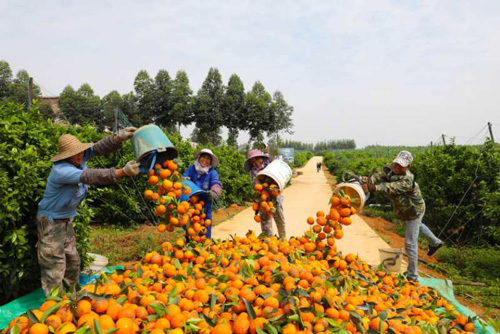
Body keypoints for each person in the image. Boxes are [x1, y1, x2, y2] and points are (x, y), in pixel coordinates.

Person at [37, 127, 141, 295]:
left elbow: (97, 148)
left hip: (66, 220)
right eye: (75, 153)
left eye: (80, 151)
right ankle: (54, 306)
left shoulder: (77, 158)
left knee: (73, 261)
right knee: (54, 265)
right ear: (66, 156)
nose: (81, 155)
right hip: (51, 222)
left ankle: (72, 296)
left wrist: (118, 138)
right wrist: (122, 172)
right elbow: (90, 176)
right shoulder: (62, 171)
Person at [363, 150, 444, 282]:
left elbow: (391, 187)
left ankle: (412, 276)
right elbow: (379, 176)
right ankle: (435, 242)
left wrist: (374, 188)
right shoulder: (390, 168)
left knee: (410, 242)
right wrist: (369, 180)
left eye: (401, 166)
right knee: (419, 226)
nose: (397, 167)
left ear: (408, 167)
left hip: (414, 210)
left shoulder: (407, 180)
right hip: (406, 209)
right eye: (396, 164)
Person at [245, 150, 286, 239]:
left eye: (256, 159)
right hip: (263, 200)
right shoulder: (254, 171)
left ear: (261, 158)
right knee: (266, 224)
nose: (255, 162)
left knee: (280, 219)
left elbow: (279, 172)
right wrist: (261, 186)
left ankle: (283, 240)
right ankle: (269, 243)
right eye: (252, 161)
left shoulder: (270, 164)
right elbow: (256, 186)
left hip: (275, 196)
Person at [183, 148, 222, 239]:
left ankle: (205, 244)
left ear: (211, 162)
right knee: (191, 224)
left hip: (206, 202)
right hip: (192, 202)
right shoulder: (192, 168)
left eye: (208, 159)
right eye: (203, 157)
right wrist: (184, 180)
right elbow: (184, 177)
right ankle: (189, 243)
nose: (205, 160)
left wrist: (215, 191)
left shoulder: (212, 173)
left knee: (205, 223)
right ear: (199, 157)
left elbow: (216, 182)